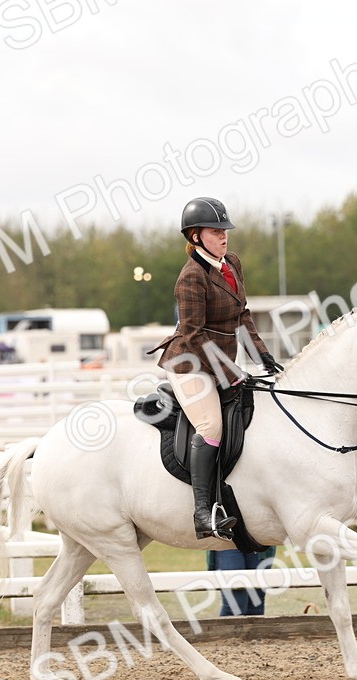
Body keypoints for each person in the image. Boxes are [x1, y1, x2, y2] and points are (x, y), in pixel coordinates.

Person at [148, 196, 283, 540]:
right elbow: (193, 335)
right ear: (195, 236)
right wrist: (230, 373)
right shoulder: (190, 278)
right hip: (188, 363)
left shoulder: (232, 263)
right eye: (215, 231)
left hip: (220, 361)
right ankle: (202, 513)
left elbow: (242, 315)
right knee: (210, 425)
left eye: (225, 230)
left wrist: (262, 355)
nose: (223, 236)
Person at [206, 546, 277, 616]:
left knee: (255, 606)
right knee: (234, 608)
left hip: (260, 543)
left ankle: (254, 624)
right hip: (226, 542)